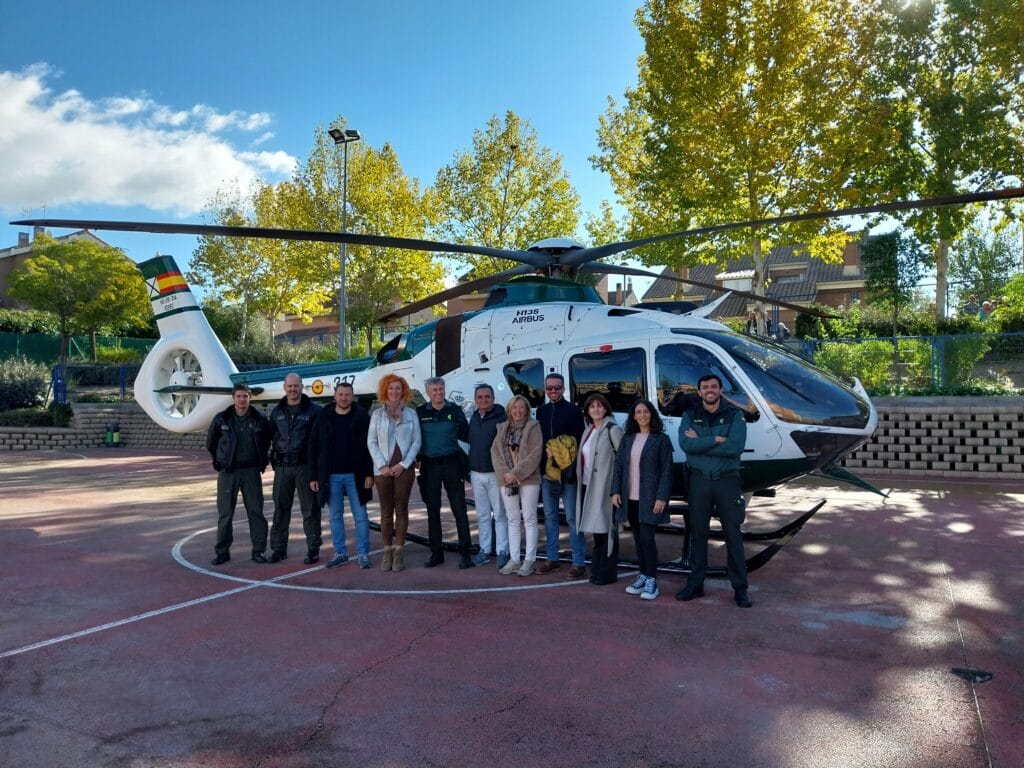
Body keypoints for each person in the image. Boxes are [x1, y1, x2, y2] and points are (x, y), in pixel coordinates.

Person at [676, 373, 752, 608]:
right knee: (698, 534)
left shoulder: (735, 414)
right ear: (699, 392)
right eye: (705, 387)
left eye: (714, 386)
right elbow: (686, 445)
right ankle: (695, 584)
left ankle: (740, 588)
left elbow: (735, 447)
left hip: (726, 482)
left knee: (733, 535)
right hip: (699, 482)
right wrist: (716, 439)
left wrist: (703, 440)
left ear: (720, 390)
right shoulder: (691, 415)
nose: (709, 390)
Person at [610, 399, 673, 600]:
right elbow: (618, 466)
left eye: (646, 412)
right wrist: (615, 491)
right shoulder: (628, 439)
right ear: (633, 416)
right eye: (638, 412)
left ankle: (652, 581)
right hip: (630, 498)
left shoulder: (661, 439)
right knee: (638, 539)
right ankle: (643, 575)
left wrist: (662, 497)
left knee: (647, 538)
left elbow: (667, 471)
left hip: (651, 498)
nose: (642, 415)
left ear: (651, 414)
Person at [206, 383, 272, 565]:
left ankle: (258, 551)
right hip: (229, 472)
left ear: (250, 398)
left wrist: (261, 461)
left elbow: (266, 441)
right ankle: (222, 552)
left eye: (245, 396)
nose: (242, 400)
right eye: (239, 396)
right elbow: (211, 442)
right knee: (225, 514)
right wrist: (219, 461)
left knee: (256, 512)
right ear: (233, 398)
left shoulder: (260, 419)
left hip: (251, 471)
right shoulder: (222, 419)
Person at [310, 382, 373, 570]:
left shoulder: (361, 416)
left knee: (360, 515)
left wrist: (369, 473)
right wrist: (313, 476)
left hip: (356, 474)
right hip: (331, 475)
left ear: (352, 396)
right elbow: (313, 446)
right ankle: (340, 552)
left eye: (347, 394)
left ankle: (363, 552)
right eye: (341, 394)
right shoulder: (323, 416)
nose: (344, 398)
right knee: (335, 516)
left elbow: (371, 445)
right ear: (334, 396)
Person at [417, 376, 474, 569]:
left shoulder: (455, 411)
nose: (439, 393)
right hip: (429, 467)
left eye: (441, 389)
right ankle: (436, 553)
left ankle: (465, 552)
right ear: (428, 392)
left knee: (459, 510)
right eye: (434, 390)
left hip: (452, 465)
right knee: (433, 511)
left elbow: (466, 435)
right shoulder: (419, 413)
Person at [367, 374, 421, 572]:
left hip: (403, 470)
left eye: (398, 388)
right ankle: (387, 550)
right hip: (383, 471)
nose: (394, 392)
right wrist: (382, 465)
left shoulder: (411, 414)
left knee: (401, 508)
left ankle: (399, 551)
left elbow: (417, 442)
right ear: (385, 391)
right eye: (391, 388)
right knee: (385, 511)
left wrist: (404, 464)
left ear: (403, 391)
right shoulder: (377, 415)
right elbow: (371, 442)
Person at [267, 373, 323, 564]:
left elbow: (320, 442)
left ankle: (313, 549)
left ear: (302, 387)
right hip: (282, 467)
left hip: (304, 467)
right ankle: (278, 549)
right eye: (289, 386)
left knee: (310, 510)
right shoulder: (277, 412)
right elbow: (270, 437)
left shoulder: (314, 411)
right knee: (281, 509)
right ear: (284, 387)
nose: (292, 389)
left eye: (296, 386)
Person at [535, 373, 586, 579]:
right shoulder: (541, 411)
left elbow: (579, 441)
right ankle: (552, 558)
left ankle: (578, 562)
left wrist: (569, 468)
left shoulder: (573, 411)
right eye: (550, 388)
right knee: (550, 518)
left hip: (568, 474)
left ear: (563, 389)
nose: (553, 391)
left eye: (557, 388)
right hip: (548, 474)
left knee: (573, 518)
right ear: (545, 390)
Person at [490, 394, 544, 576]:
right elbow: (495, 453)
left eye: (521, 407)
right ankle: (514, 559)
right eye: (515, 408)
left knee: (529, 518)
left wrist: (516, 473)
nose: (518, 411)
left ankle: (529, 560)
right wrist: (506, 474)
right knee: (512, 520)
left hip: (528, 479)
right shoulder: (502, 428)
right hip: (506, 480)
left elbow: (536, 454)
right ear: (509, 410)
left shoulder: (533, 426)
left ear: (527, 410)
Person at [575, 393, 624, 585]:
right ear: (587, 411)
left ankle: (607, 573)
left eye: (600, 405)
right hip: (588, 486)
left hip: (606, 488)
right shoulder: (587, 430)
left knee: (608, 531)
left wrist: (616, 489)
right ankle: (597, 571)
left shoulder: (613, 430)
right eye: (592, 406)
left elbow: (622, 462)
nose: (596, 409)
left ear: (606, 408)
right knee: (597, 532)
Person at [468, 384, 509, 568]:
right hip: (477, 474)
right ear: (476, 399)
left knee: (500, 515)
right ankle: (484, 550)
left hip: (495, 474)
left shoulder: (502, 418)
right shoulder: (474, 417)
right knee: (483, 515)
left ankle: (502, 551)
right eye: (480, 397)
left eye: (487, 396)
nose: (484, 400)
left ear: (493, 398)